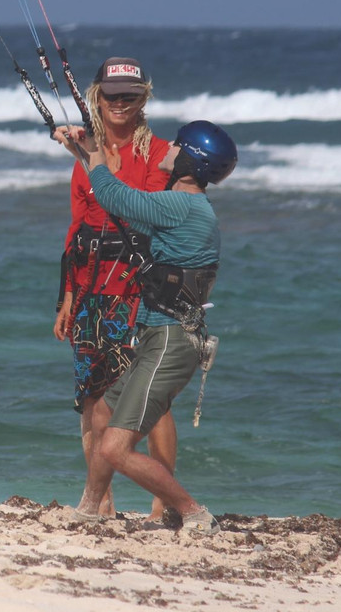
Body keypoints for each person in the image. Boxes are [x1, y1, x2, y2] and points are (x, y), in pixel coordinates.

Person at [53, 118, 238, 536]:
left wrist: (94, 151)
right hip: (160, 337)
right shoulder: (184, 207)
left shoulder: (181, 206)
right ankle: (89, 508)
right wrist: (84, 154)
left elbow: (115, 196)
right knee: (103, 411)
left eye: (177, 145)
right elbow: (118, 206)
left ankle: (193, 513)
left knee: (116, 448)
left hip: (170, 342)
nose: (168, 148)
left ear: (190, 161)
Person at [53, 57, 177, 522]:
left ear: (144, 99)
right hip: (90, 289)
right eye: (111, 96)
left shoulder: (161, 153)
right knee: (92, 395)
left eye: (130, 96)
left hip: (139, 292)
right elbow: (77, 227)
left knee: (153, 401)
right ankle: (100, 501)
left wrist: (91, 158)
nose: (120, 103)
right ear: (97, 98)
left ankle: (164, 501)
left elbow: (143, 209)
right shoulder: (86, 156)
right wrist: (67, 298)